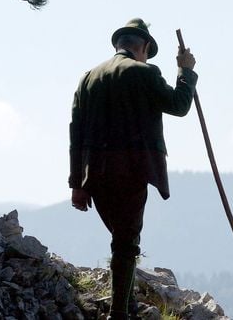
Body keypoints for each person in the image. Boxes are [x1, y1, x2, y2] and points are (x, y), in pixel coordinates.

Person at [68, 18, 197, 320]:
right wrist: (186, 71)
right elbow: (179, 105)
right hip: (131, 170)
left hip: (94, 173)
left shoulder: (88, 78)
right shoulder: (145, 73)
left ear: (118, 44)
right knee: (126, 243)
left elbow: (76, 131)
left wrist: (77, 183)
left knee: (122, 238)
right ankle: (119, 314)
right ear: (144, 47)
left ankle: (128, 305)